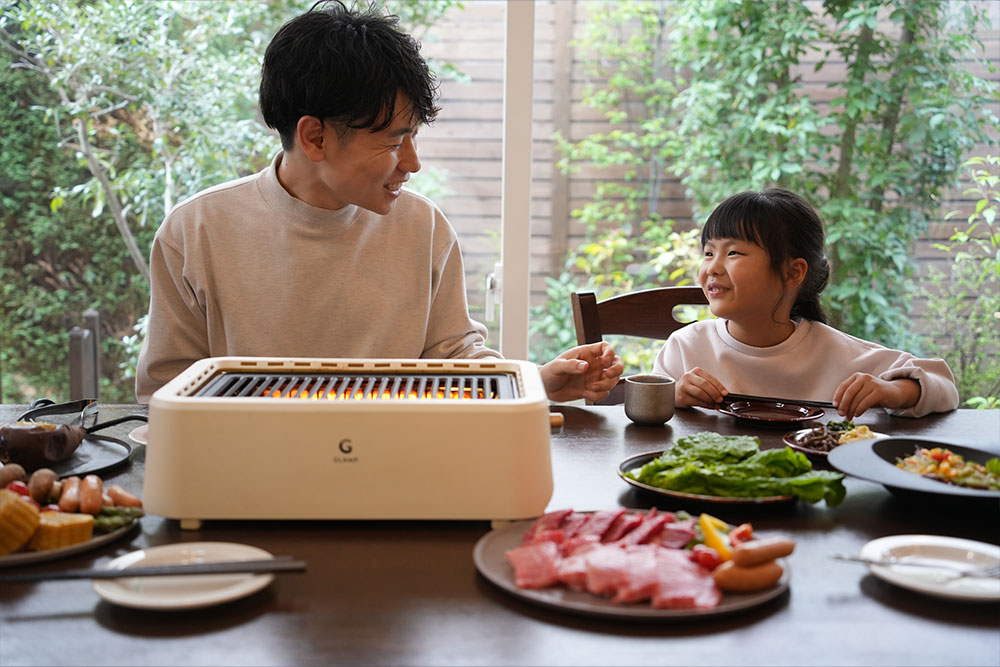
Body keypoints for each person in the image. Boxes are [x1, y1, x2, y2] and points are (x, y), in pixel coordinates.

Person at [134, 1, 621, 403]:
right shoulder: (196, 230)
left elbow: (452, 357)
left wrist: (535, 381)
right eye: (393, 142)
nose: (413, 163)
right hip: (248, 475)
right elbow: (167, 389)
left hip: (399, 464)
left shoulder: (423, 226)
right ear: (315, 137)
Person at [653, 188, 959, 419]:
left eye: (733, 253)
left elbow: (942, 385)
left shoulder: (837, 353)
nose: (713, 268)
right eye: (708, 253)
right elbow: (645, 407)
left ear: (792, 272)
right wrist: (675, 396)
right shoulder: (686, 347)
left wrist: (891, 391)